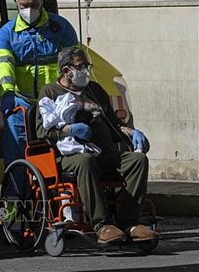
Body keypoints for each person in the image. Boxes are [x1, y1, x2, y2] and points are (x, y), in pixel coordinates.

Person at [36, 46, 158, 243]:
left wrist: (130, 131)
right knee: (85, 161)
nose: (86, 70)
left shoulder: (96, 91)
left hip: (103, 152)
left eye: (87, 66)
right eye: (81, 66)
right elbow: (42, 131)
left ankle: (129, 223)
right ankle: (103, 225)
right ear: (66, 70)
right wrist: (70, 129)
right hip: (70, 156)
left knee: (137, 160)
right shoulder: (50, 92)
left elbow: (112, 125)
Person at [0, 0, 78, 174]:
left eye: (34, 4)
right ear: (16, 2)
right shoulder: (6, 34)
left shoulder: (61, 28)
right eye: (25, 5)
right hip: (22, 103)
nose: (29, 9)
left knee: (62, 151)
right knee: (16, 152)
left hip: (57, 103)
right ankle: (15, 199)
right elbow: (5, 68)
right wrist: (7, 93)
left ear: (42, 2)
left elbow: (75, 63)